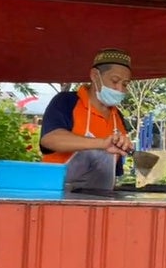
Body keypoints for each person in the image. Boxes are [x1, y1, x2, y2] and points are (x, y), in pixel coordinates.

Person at [40, 48, 133, 191]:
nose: (120, 89)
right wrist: (102, 143)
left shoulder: (118, 117)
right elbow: (50, 139)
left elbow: (114, 171)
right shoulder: (66, 102)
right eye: (115, 81)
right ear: (95, 75)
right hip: (55, 196)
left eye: (125, 84)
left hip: (98, 201)